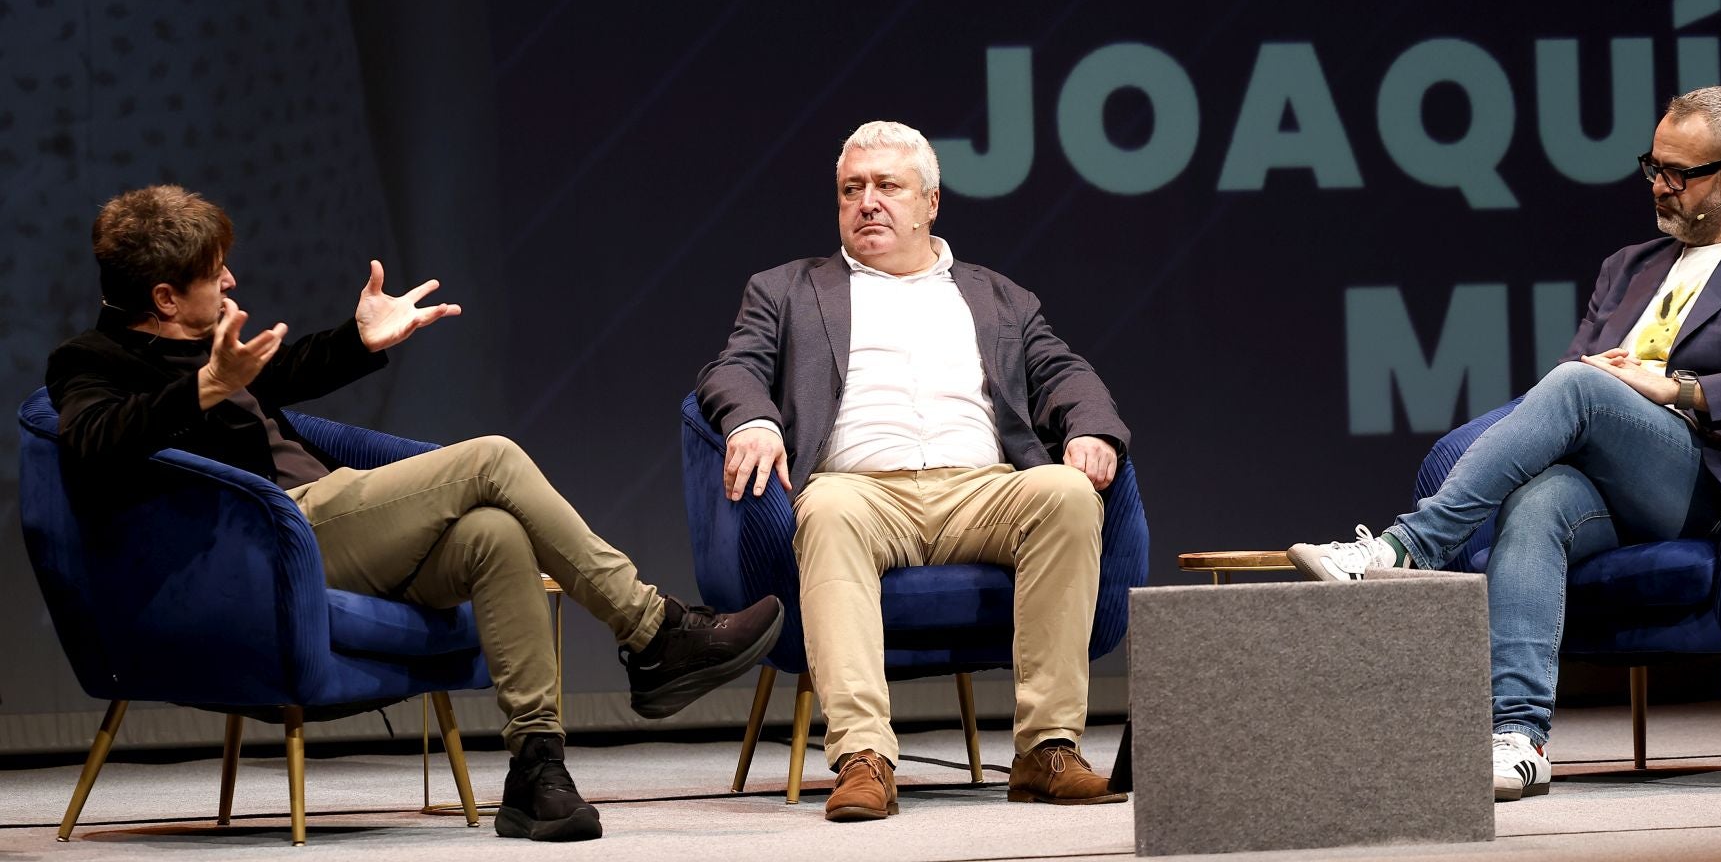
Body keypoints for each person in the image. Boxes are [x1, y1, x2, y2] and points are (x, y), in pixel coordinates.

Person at [47, 185, 783, 843]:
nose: (233, 280)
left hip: (327, 530)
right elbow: (93, 442)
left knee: (494, 536)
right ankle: (653, 629)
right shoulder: (90, 361)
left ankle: (537, 771)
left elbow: (286, 371)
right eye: (216, 273)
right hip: (269, 543)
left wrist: (360, 338)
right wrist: (206, 385)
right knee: (491, 458)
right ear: (167, 297)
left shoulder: (211, 344)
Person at [1287, 86, 1721, 803]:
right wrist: (1606, 384)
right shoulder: (1628, 266)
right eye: (1653, 164)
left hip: (1696, 481)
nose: (1658, 184)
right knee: (1537, 503)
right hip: (1607, 476)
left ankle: (1403, 548)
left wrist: (1677, 389)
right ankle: (1521, 738)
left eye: (1680, 173)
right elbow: (1582, 383)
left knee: (1576, 386)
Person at [697, 120, 1131, 822]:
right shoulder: (786, 290)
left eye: (887, 186)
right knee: (830, 512)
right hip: (859, 491)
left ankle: (1046, 750)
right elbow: (732, 368)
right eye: (851, 189)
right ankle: (864, 758)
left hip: (981, 491)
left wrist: (1093, 431)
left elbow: (1065, 372)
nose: (867, 202)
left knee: (1065, 492)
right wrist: (751, 419)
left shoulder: (998, 296)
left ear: (931, 201)